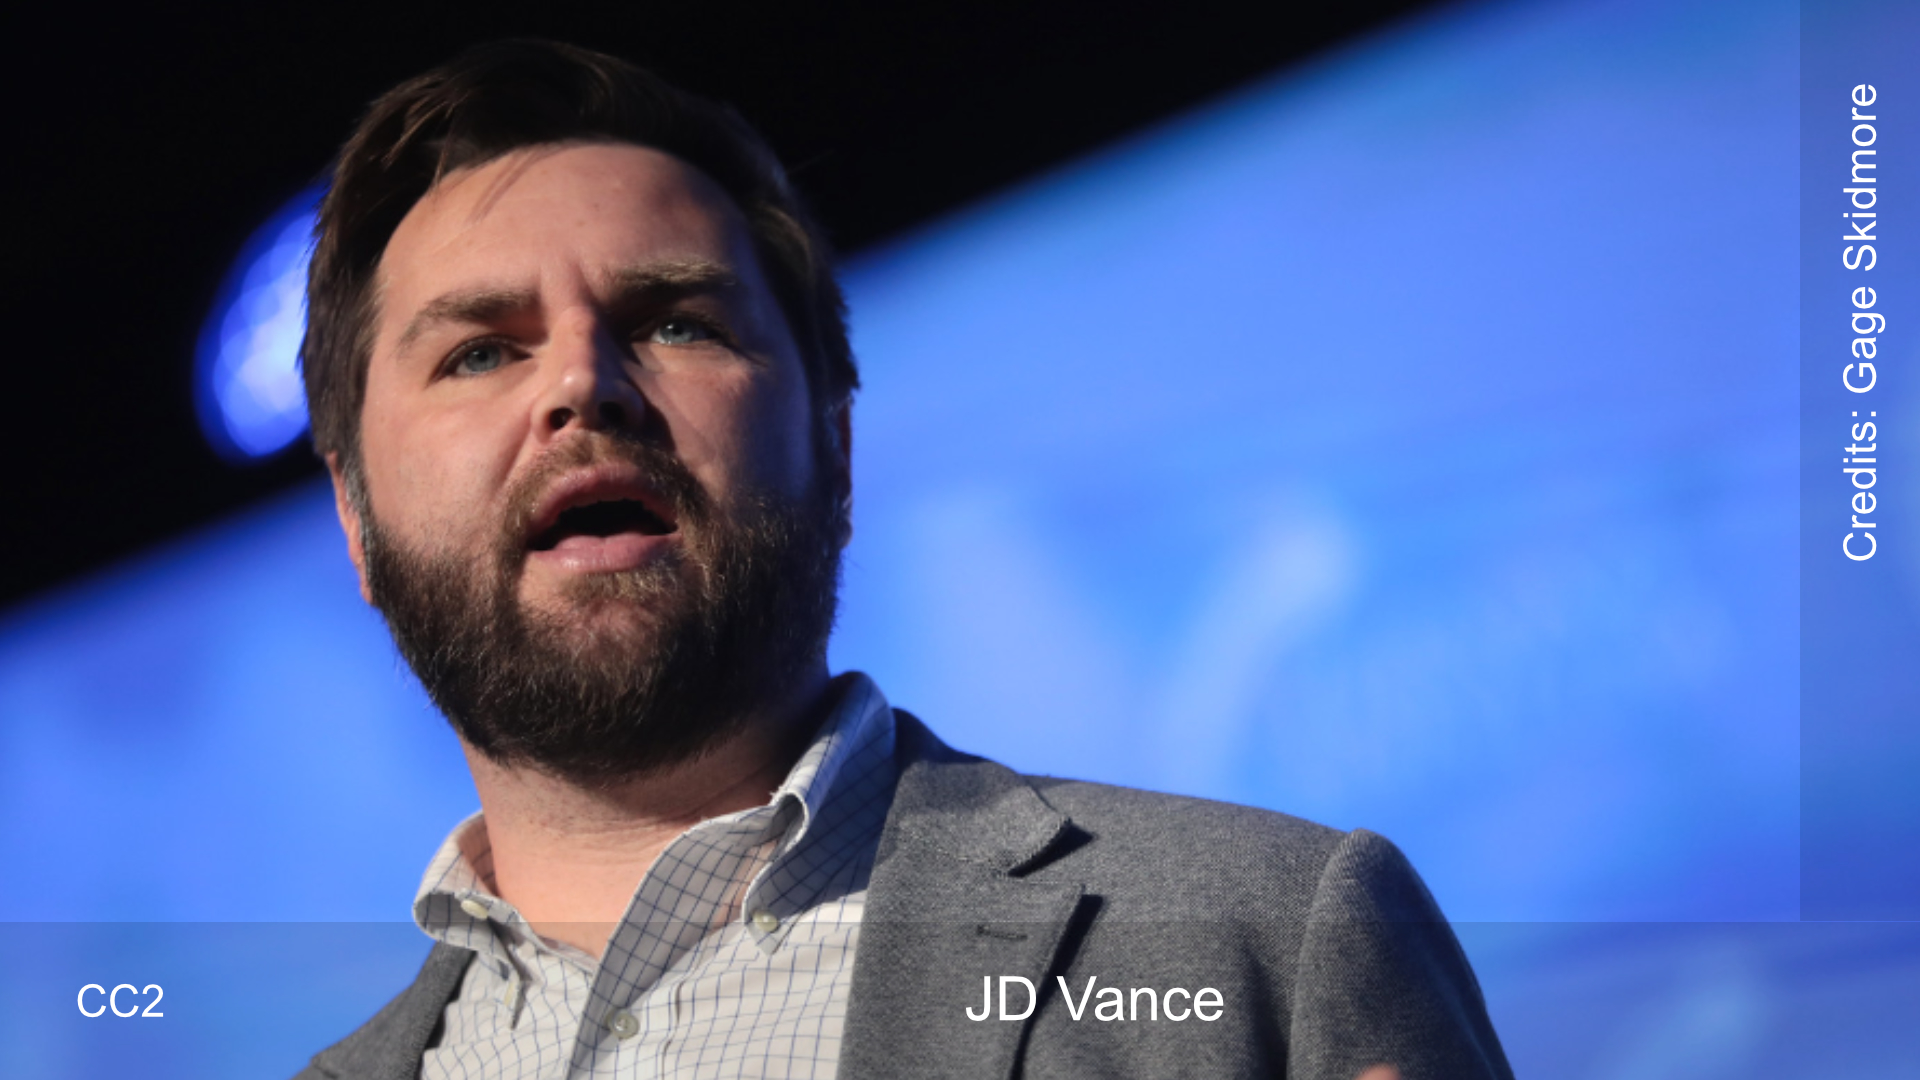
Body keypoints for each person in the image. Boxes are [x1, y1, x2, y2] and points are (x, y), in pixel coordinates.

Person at [293, 39, 1513, 1080]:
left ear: (834, 446)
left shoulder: (1268, 936)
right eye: (478, 353)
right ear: (355, 516)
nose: (581, 387)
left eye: (677, 323)